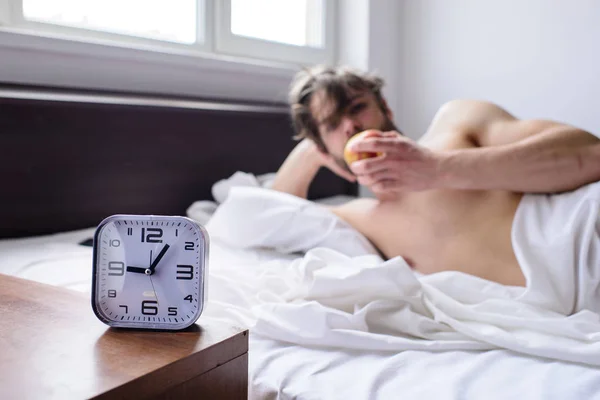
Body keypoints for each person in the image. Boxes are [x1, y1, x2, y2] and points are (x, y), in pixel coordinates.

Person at [271, 65, 600, 287]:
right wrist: (313, 152)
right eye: (332, 124)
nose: (351, 126)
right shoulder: (362, 219)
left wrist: (437, 168)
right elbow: (270, 213)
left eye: (357, 108)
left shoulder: (455, 124)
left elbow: (591, 154)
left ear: (385, 106)